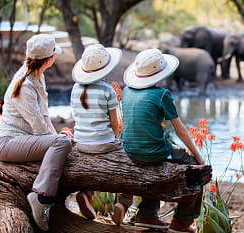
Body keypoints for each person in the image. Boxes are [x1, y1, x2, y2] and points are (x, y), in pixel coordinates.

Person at [0, 34, 72, 231]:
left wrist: (60, 135)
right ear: (49, 59)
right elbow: (39, 128)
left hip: (23, 140)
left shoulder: (38, 76)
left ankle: (57, 204)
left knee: (64, 142)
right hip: (7, 143)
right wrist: (59, 140)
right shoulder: (25, 85)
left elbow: (44, 117)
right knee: (62, 144)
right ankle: (41, 197)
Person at [121, 48, 204, 233]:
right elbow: (179, 129)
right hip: (153, 152)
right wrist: (197, 155)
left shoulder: (127, 91)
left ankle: (147, 215)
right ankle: (182, 222)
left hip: (129, 151)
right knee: (194, 169)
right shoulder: (161, 94)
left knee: (156, 157)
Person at [70, 44, 132, 224]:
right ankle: (124, 203)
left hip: (81, 142)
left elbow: (76, 117)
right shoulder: (107, 90)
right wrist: (116, 141)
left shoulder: (75, 89)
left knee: (94, 164)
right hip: (103, 143)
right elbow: (114, 123)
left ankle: (87, 193)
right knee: (129, 165)